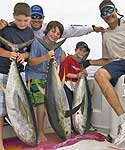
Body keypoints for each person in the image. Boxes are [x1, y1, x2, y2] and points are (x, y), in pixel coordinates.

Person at [84, 0, 125, 146]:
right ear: (102, 17)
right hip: (119, 63)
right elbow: (107, 59)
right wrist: (88, 62)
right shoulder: (105, 35)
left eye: (110, 10)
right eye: (104, 13)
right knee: (99, 75)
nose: (108, 15)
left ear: (116, 10)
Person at [0, 3, 34, 150]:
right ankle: (0, 143)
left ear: (30, 18)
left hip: (19, 73)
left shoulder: (30, 33)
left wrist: (23, 55)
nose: (22, 23)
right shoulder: (5, 30)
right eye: (19, 20)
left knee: (22, 105)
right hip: (2, 71)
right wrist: (10, 54)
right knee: (0, 110)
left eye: (26, 20)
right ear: (14, 17)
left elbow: (29, 52)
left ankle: (22, 133)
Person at [25, 21, 64, 143]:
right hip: (34, 75)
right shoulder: (37, 42)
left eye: (58, 34)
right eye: (53, 31)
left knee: (53, 102)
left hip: (48, 77)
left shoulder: (58, 48)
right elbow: (31, 62)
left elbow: (56, 66)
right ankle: (40, 132)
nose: (55, 35)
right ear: (47, 31)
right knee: (41, 102)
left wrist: (54, 64)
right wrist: (46, 57)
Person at [0, 4, 106, 38]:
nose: (36, 20)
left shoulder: (50, 29)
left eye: (39, 17)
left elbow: (73, 29)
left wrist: (92, 28)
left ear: (43, 18)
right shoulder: (18, 25)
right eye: (33, 17)